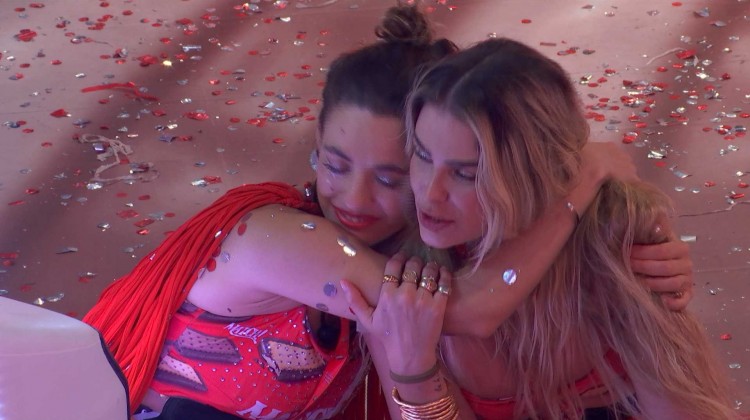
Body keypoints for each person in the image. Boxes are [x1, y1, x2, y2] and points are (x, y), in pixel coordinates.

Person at [83, 7, 694, 420]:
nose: (353, 198)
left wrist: (638, 244)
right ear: (315, 145)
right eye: (335, 163)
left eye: (391, 177)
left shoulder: (414, 252)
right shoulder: (276, 237)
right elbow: (468, 312)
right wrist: (584, 181)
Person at [345, 37, 737, 419]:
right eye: (423, 156)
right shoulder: (405, 263)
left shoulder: (610, 233)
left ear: (532, 174)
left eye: (466, 174)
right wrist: (413, 370)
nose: (430, 194)